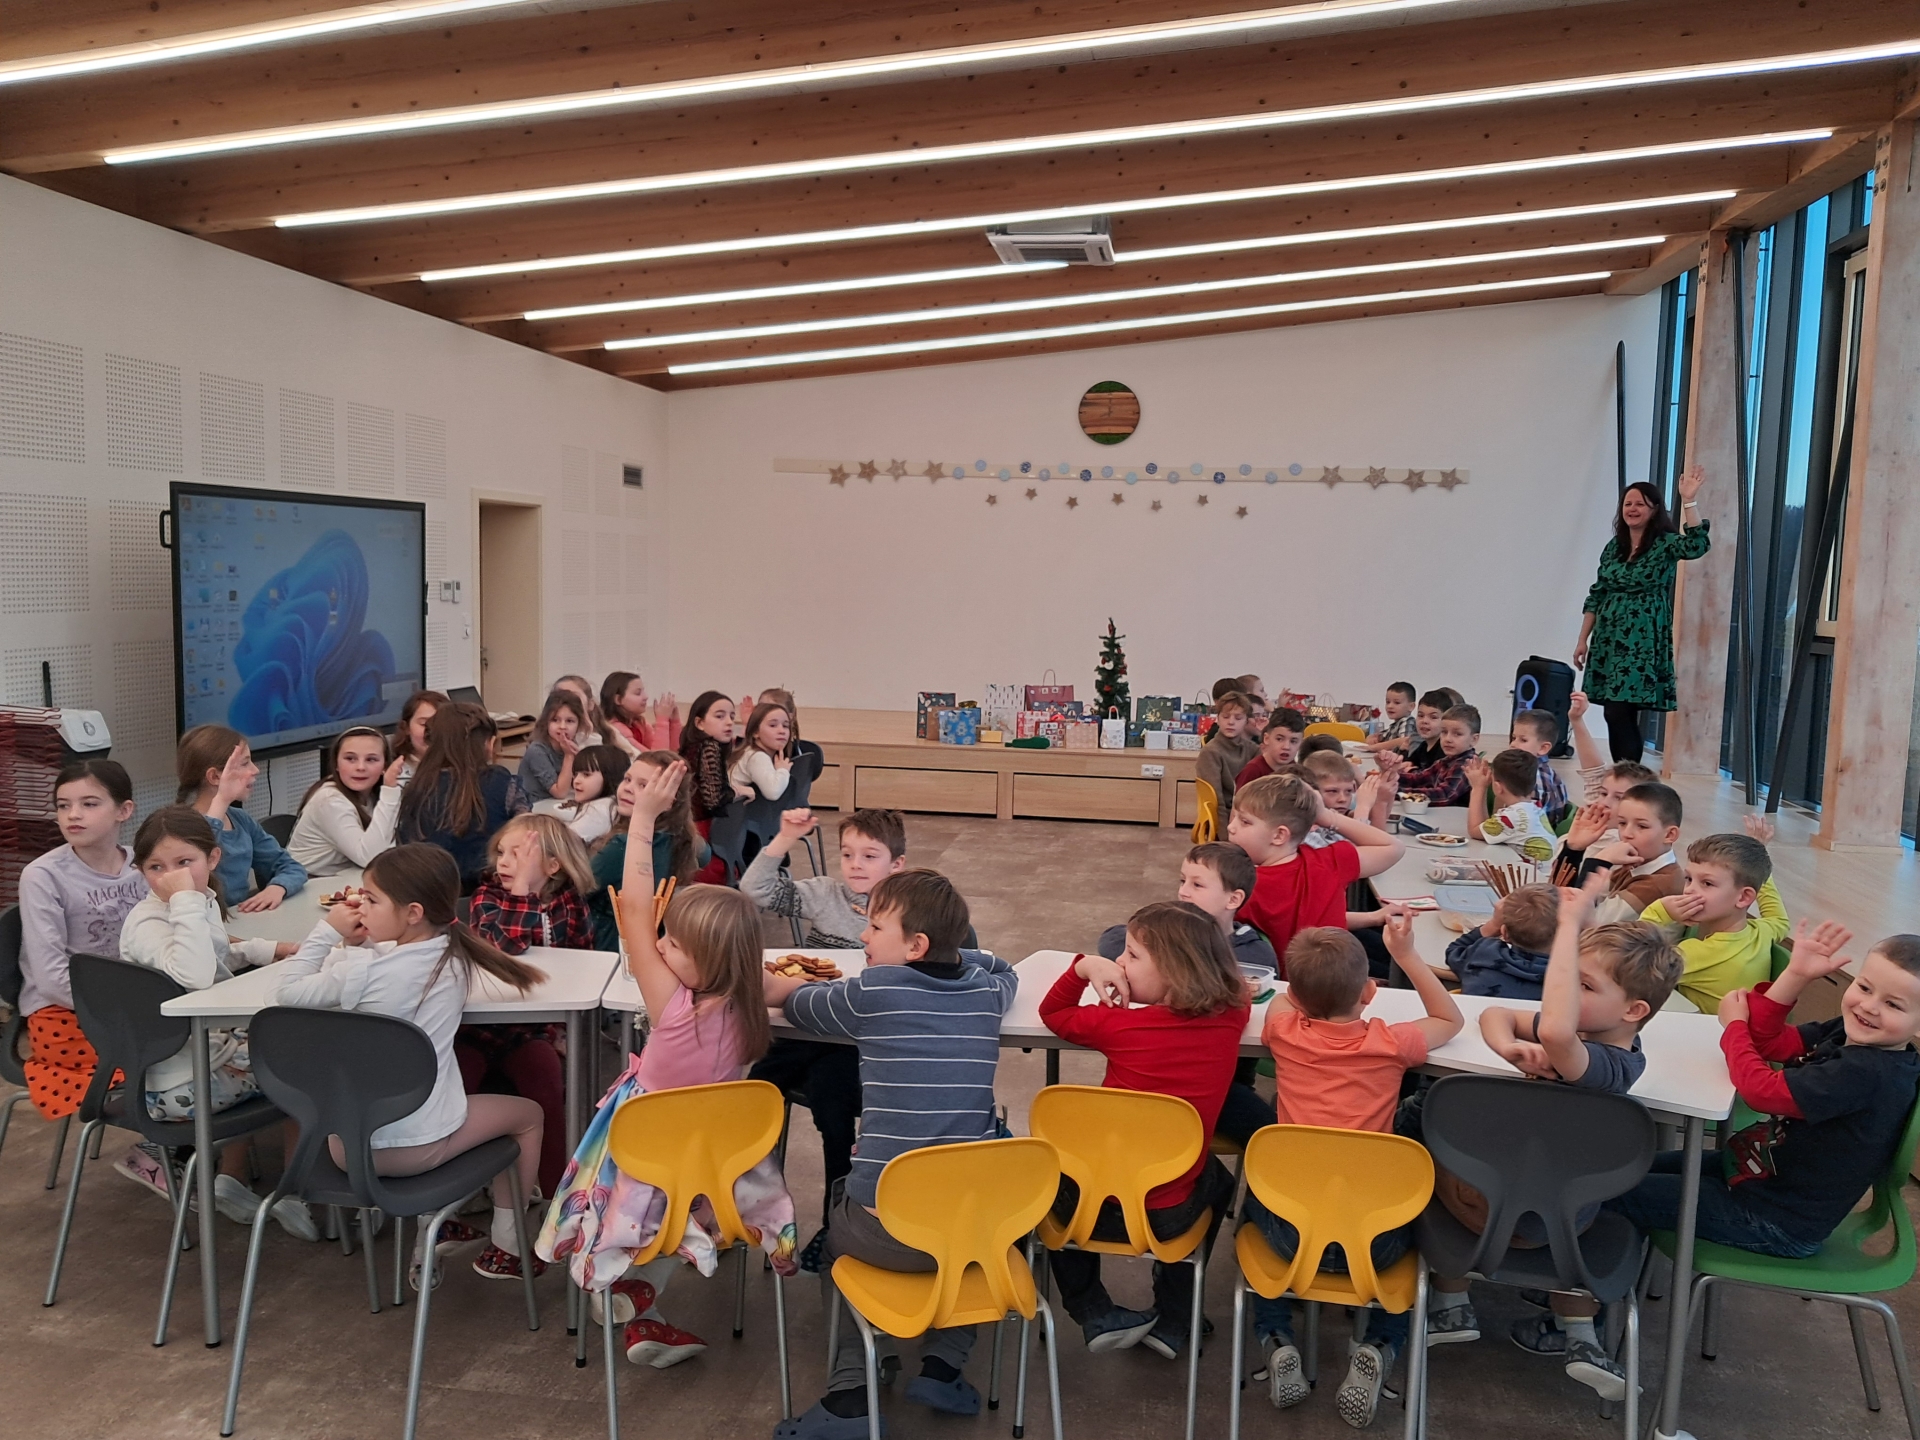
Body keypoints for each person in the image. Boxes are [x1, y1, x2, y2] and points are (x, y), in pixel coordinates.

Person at [539, 758, 794, 1367]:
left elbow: (632, 908)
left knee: (644, 1209)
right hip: (717, 1161)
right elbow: (790, 988)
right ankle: (647, 1295)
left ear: (707, 959)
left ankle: (630, 1288)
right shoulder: (751, 992)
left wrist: (644, 820)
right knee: (688, 1214)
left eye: (672, 943)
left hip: (643, 1151)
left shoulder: (674, 1005)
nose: (658, 944)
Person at [768, 870, 1018, 1434]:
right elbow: (1005, 971)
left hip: (884, 1236)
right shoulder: (985, 995)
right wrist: (967, 957)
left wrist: (777, 983)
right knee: (983, 1218)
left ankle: (852, 1390)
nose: (863, 936)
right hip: (968, 1239)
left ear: (916, 945)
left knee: (836, 1243)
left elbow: (796, 1003)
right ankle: (943, 1364)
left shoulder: (871, 992)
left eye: (876, 927)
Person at [1431, 880, 1682, 1400]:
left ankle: (1450, 1301)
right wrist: (1508, 1047)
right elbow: (1495, 1014)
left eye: (1582, 986)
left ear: (1633, 1010)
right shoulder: (1597, 1043)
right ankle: (1580, 1337)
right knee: (1593, 1205)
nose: (1563, 994)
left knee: (1421, 1151)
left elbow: (1554, 1033)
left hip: (1483, 1210)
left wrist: (1568, 928)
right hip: (1565, 1221)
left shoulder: (1603, 1064)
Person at [275, 844, 548, 1282]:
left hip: (344, 1147)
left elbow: (288, 990)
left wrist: (327, 935)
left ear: (413, 913)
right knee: (527, 1115)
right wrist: (350, 940)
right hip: (416, 1149)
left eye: (371, 898)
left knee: (451, 1099)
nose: (359, 905)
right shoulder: (454, 961)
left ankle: (441, 1225)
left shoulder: (361, 971)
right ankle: (508, 1244)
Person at [1611, 923, 1920, 1303]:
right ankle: (1605, 1289)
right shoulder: (1848, 1036)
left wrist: (1734, 1027)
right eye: (1865, 987)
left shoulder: (1867, 1073)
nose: (1869, 1006)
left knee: (1610, 1189)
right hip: (1751, 1181)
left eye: (1893, 1005)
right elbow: (1769, 1041)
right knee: (1620, 1170)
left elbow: (1761, 1091)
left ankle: (1585, 1314)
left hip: (1773, 1220)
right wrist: (1795, 975)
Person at [1250, 919, 1463, 1427]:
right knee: (1418, 1218)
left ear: (1296, 999)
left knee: (1255, 1192)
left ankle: (1277, 1338)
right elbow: (1449, 1018)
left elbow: (1280, 1003)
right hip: (1373, 1244)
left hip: (1291, 1237)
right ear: (1369, 991)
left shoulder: (1282, 1031)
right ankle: (1379, 1344)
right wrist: (1406, 956)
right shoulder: (1393, 1043)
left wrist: (1295, 995)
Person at [1040, 903, 1246, 1359]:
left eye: (1131, 955)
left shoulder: (1117, 1025)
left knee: (1048, 1181)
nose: (1119, 962)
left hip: (1092, 1209)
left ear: (1174, 972)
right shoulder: (1232, 1016)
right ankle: (1176, 1317)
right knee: (1218, 1179)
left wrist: (1084, 968)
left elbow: (1053, 1012)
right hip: (1170, 1214)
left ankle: (1091, 1309)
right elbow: (1234, 988)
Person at [120, 806, 316, 1240]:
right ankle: (294, 1190)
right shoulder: (152, 920)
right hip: (177, 1088)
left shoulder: (195, 905)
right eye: (156, 867)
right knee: (305, 1067)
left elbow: (216, 952)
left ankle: (231, 1178)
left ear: (212, 858)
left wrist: (271, 949)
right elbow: (194, 972)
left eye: (183, 862)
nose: (171, 877)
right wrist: (186, 899)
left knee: (278, 1043)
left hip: (197, 1060)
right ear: (141, 871)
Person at [742, 807, 903, 1260]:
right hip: (805, 1025)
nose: (856, 865)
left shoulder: (905, 909)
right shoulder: (824, 894)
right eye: (847, 854)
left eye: (869, 856)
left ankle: (838, 1224)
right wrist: (784, 838)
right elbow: (754, 890)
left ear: (897, 865)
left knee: (833, 1110)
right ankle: (737, 1200)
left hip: (852, 1039)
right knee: (752, 1092)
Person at [462, 815, 592, 1209]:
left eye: (517, 855)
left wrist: (560, 1032)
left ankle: (559, 1200)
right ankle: (461, 1191)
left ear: (553, 866)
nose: (503, 862)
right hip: (474, 1031)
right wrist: (521, 892)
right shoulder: (486, 898)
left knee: (547, 1085)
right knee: (456, 1091)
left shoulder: (569, 903)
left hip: (528, 1031)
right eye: (501, 852)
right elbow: (503, 948)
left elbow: (584, 964)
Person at [17, 760, 146, 1132]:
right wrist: (131, 1007)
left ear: (124, 810)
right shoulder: (42, 876)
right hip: (66, 1015)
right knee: (175, 1056)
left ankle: (181, 1148)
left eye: (89, 804)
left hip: (133, 1003)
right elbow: (51, 979)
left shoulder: (142, 866)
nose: (73, 814)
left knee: (214, 1046)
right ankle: (162, 1147)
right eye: (63, 805)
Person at [1574, 467, 1712, 763]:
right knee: (1615, 711)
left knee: (1619, 709)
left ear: (1654, 509)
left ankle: (1628, 776)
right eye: (1628, 503)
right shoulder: (1614, 547)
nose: (1632, 509)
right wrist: (1583, 639)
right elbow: (1597, 593)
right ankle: (1625, 775)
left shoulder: (1664, 543)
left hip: (1642, 640)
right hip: (1609, 639)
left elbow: (1697, 544)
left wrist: (1689, 501)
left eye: (1640, 504)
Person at [1226, 773, 1401, 968]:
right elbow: (1393, 847)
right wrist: (1326, 816)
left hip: (1287, 984)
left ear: (1279, 835)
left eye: (1244, 821)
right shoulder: (1329, 862)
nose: (1231, 827)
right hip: (1341, 976)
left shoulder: (1242, 887)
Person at [1640, 832, 1788, 1012]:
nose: (1689, 890)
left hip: (1702, 1029)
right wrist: (1758, 870)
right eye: (1689, 879)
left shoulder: (1701, 953)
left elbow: (1630, 964)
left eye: (1707, 883)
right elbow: (1779, 919)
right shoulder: (1762, 932)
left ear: (1744, 897)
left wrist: (1660, 911)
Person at [397, 702, 529, 892]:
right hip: (491, 894)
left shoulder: (416, 788)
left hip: (432, 895)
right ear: (488, 743)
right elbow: (527, 835)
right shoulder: (499, 780)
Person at [583, 750, 705, 953]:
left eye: (643, 786)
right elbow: (705, 854)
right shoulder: (681, 837)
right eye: (627, 779)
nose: (627, 788)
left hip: (609, 944)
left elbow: (581, 886)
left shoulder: (622, 846)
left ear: (668, 800)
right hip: (653, 940)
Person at [176, 725, 307, 911]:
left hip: (240, 920)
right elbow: (201, 857)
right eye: (245, 763)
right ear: (215, 777)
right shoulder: (180, 827)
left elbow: (289, 866)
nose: (255, 770)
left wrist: (278, 887)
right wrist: (222, 799)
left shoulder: (240, 819)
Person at [1098, 842, 1277, 977]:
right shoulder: (1162, 933)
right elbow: (1110, 941)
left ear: (1233, 899)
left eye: (1197, 885)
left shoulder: (1256, 954)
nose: (1183, 892)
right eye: (1183, 881)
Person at [1553, 782, 1685, 919]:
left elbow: (1576, 919)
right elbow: (1558, 902)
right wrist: (1574, 850)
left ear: (1669, 835)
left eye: (1642, 826)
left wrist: (1600, 861)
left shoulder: (1656, 885)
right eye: (1622, 823)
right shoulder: (1635, 865)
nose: (1626, 833)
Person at [288, 725, 407, 875]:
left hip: (347, 876)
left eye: (371, 759)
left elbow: (392, 845)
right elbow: (369, 858)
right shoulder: (329, 801)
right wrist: (390, 793)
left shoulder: (373, 793)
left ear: (385, 766)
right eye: (350, 759)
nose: (360, 767)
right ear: (336, 764)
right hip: (310, 881)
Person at [1440, 883, 1560, 999]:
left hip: (1474, 1013)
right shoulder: (1566, 978)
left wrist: (1494, 924)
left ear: (1504, 933)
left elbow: (1453, 951)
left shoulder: (1485, 954)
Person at [1386, 703, 1480, 807]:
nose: (1448, 739)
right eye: (1444, 732)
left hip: (1456, 816)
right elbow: (1419, 778)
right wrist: (1388, 777)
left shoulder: (1467, 764)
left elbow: (1444, 795)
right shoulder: (1445, 761)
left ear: (1474, 739)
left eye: (1457, 734)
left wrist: (1395, 791)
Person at [1465, 749, 1556, 855]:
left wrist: (1478, 787)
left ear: (1498, 787)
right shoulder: (1534, 807)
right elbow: (1482, 828)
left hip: (1525, 866)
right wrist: (1482, 788)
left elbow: (1474, 831)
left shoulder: (1510, 818)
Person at [517, 689, 590, 802]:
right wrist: (569, 756)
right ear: (546, 722)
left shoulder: (571, 744)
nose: (562, 726)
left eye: (570, 721)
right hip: (533, 805)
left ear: (579, 724)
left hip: (554, 803)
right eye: (555, 720)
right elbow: (560, 792)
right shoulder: (537, 750)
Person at [1195, 691, 1259, 810]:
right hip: (1226, 813)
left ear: (1246, 721)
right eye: (1225, 717)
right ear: (1218, 719)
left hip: (1249, 811)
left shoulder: (1253, 749)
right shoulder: (1210, 752)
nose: (1231, 722)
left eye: (1238, 718)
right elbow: (1215, 801)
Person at [558, 743, 629, 845]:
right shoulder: (612, 803)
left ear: (609, 776)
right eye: (576, 775)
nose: (576, 781)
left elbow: (565, 844)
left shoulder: (598, 810)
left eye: (586, 775)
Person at [1507, 709, 1571, 818]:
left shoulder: (1535, 777)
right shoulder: (1528, 770)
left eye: (1523, 740)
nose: (1513, 744)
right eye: (1514, 738)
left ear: (1543, 748)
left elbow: (1528, 818)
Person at [600, 670, 681, 753]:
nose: (646, 697)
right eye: (637, 693)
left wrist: (674, 722)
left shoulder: (639, 722)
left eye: (643, 691)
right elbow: (657, 757)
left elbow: (673, 754)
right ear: (618, 699)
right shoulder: (616, 729)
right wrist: (662, 720)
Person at [731, 700, 795, 802]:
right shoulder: (758, 757)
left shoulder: (753, 752)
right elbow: (773, 793)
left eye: (785, 726)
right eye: (773, 725)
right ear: (756, 732)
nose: (782, 731)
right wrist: (783, 770)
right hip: (733, 810)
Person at [1235, 708, 1306, 790]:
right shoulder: (1253, 771)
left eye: (1293, 741)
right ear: (1266, 739)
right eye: (1279, 739)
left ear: (1301, 743)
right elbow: (1240, 798)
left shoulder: (1298, 772)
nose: (1286, 747)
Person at [390, 690, 449, 782]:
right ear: (406, 727)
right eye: (424, 724)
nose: (431, 731)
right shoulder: (394, 772)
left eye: (439, 724)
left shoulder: (464, 767)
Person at [1399, 690, 1455, 771]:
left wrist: (1411, 771)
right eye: (1420, 715)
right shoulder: (1423, 747)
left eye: (1433, 717)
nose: (1424, 721)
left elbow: (1433, 776)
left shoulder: (1444, 750)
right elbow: (1409, 763)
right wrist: (1403, 753)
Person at [550, 674, 608, 746]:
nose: (566, 701)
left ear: (590, 705)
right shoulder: (543, 745)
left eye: (574, 696)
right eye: (559, 696)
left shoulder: (606, 735)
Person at [1367, 682, 1419, 754]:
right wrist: (1372, 738)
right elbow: (1379, 736)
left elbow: (1405, 741)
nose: (1390, 706)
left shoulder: (1407, 721)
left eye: (1397, 703)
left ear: (1411, 706)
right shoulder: (1394, 725)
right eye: (1388, 702)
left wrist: (1376, 747)